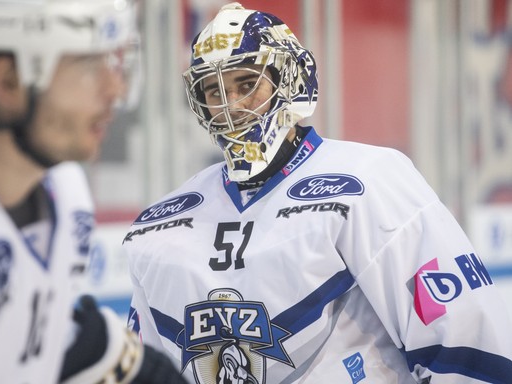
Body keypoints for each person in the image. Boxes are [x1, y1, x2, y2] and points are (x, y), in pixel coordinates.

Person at [123, 2, 512, 383]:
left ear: (290, 80)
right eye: (214, 90)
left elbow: (466, 344)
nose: (231, 106)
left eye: (247, 84)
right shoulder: (160, 227)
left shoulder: (370, 181)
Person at [0, 0, 187, 383]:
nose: (114, 88)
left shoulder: (64, 189)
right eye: (88, 66)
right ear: (8, 82)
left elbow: (51, 340)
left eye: (112, 63)